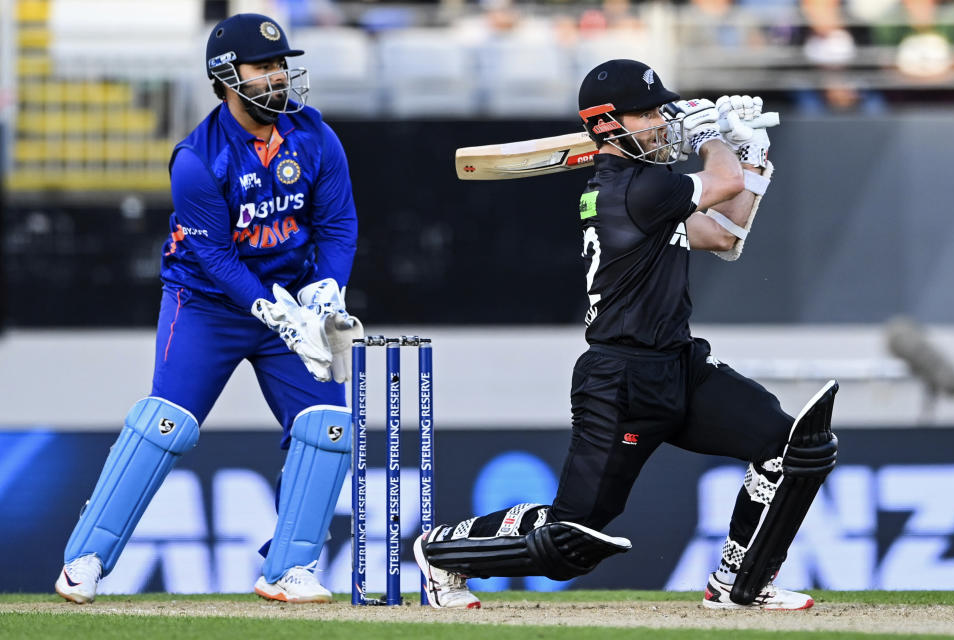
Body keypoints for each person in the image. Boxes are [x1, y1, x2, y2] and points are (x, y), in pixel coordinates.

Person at [413, 59, 839, 610]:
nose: (662, 122)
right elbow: (724, 183)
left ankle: (740, 583)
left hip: (679, 365)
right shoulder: (633, 188)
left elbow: (724, 234)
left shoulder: (650, 189)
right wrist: (714, 136)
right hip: (621, 381)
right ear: (610, 124)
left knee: (793, 449)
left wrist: (753, 152)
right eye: (648, 113)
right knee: (570, 540)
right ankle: (444, 551)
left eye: (661, 109)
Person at [55, 13, 362, 604]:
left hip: (294, 305)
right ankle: (86, 559)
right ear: (226, 75)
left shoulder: (316, 136)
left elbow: (339, 223)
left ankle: (287, 570)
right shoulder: (197, 159)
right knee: (164, 424)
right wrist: (270, 309)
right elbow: (217, 258)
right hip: (206, 303)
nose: (277, 77)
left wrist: (326, 290)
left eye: (280, 65)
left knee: (329, 428)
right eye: (263, 67)